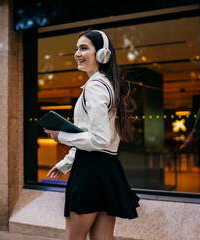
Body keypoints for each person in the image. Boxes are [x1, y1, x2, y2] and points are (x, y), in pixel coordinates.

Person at [44, 29, 140, 240]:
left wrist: (61, 136)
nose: (77, 53)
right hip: (107, 169)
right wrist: (66, 163)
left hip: (90, 171)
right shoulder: (108, 85)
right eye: (76, 49)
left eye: (84, 48)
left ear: (102, 54)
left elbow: (98, 140)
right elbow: (94, 137)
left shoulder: (95, 87)